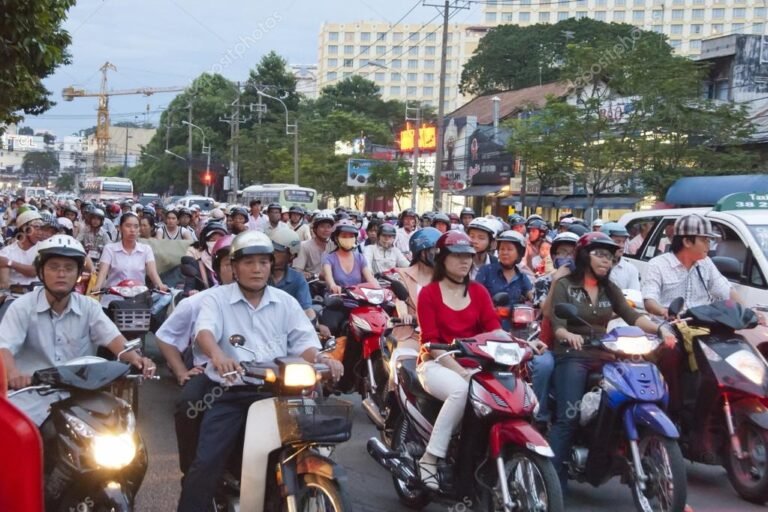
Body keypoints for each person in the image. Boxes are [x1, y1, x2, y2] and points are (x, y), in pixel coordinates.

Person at [176, 231, 343, 511]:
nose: (257, 269)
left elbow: (305, 343)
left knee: (304, 447)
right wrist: (218, 355)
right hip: (231, 394)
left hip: (281, 394)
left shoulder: (285, 302)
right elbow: (204, 332)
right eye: (249, 262)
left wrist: (324, 359)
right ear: (234, 266)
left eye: (263, 262)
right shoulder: (216, 300)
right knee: (206, 464)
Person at [548, 232, 676, 491]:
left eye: (611, 257)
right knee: (568, 417)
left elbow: (632, 315)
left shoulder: (609, 289)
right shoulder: (566, 286)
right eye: (601, 255)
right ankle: (552, 475)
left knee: (629, 395)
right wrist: (569, 335)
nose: (608, 261)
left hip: (605, 354)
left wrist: (660, 330)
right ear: (585, 256)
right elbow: (557, 325)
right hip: (573, 355)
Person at [0, 235, 155, 425]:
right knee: (15, 441)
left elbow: (114, 339)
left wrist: (137, 360)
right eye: (54, 267)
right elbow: (4, 347)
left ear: (79, 274)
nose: (61, 274)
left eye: (69, 268)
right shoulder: (22, 306)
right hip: (31, 396)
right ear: (41, 271)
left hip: (82, 395)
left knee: (118, 433)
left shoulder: (89, 307)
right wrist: (14, 374)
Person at [415, 230, 502, 489]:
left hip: (476, 364)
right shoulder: (428, 294)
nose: (465, 261)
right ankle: (430, 457)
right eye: (458, 256)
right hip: (435, 364)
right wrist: (460, 371)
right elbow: (430, 342)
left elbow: (494, 328)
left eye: (469, 256)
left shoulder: (479, 291)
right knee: (461, 391)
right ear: (442, 259)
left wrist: (521, 344)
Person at [641, 214, 745, 413]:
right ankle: (674, 410)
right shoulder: (658, 264)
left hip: (703, 326)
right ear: (687, 241)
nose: (709, 244)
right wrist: (664, 311)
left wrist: (747, 313)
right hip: (669, 329)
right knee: (670, 353)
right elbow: (649, 301)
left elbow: (727, 292)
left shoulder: (706, 264)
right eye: (705, 239)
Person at [157, 235, 235, 477]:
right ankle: (193, 473)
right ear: (217, 267)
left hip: (263, 376)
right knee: (189, 406)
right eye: (229, 264)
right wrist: (181, 371)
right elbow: (165, 336)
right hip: (211, 376)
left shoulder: (276, 300)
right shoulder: (199, 302)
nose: (237, 270)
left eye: (250, 261)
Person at [93, 213, 169, 305]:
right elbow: (103, 272)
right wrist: (98, 286)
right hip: (112, 301)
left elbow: (152, 272)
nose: (132, 230)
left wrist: (160, 285)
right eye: (128, 226)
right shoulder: (110, 249)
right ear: (120, 228)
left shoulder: (146, 249)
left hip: (138, 301)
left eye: (136, 227)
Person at [392, 227, 441, 351]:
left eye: (441, 251)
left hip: (441, 335)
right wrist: (404, 314)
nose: (439, 254)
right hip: (411, 334)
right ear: (422, 252)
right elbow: (400, 299)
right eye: (435, 250)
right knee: (403, 358)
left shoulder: (445, 277)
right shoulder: (402, 274)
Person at [476, 230, 534, 326]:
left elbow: (531, 295)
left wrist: (537, 299)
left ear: (519, 253)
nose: (504, 252)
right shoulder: (486, 271)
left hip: (515, 328)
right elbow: (475, 296)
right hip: (487, 325)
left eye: (509, 249)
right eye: (502, 249)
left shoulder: (522, 277)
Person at [268, 227, 321, 327]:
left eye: (277, 251)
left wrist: (313, 324)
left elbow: (306, 309)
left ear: (291, 256)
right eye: (270, 250)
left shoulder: (297, 279)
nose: (271, 254)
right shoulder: (259, 274)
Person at [322, 220, 378, 294]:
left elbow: (371, 279)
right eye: (344, 236)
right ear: (336, 238)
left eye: (351, 236)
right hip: (338, 300)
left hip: (359, 298)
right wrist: (333, 286)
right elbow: (328, 278)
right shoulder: (329, 258)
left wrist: (379, 289)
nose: (348, 239)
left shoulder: (360, 258)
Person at [0, 210, 43, 288]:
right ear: (24, 228)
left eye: (41, 228)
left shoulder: (44, 248)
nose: (40, 232)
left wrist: (9, 263)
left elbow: (34, 271)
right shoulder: (6, 252)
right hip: (15, 296)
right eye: (36, 227)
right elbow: (4, 284)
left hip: (39, 294)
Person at [185, 222, 229, 290]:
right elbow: (190, 285)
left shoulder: (231, 258)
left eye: (220, 240)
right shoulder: (197, 259)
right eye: (212, 240)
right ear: (205, 241)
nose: (216, 242)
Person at [293, 211, 335, 279]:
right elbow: (297, 270)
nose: (326, 230)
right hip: (312, 283)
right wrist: (305, 274)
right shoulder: (304, 246)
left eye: (329, 227)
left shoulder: (334, 246)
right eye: (322, 226)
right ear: (315, 229)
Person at [600, 222, 640, 291]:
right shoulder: (593, 267)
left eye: (623, 242)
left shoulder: (630, 270)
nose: (622, 246)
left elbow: (634, 297)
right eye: (617, 242)